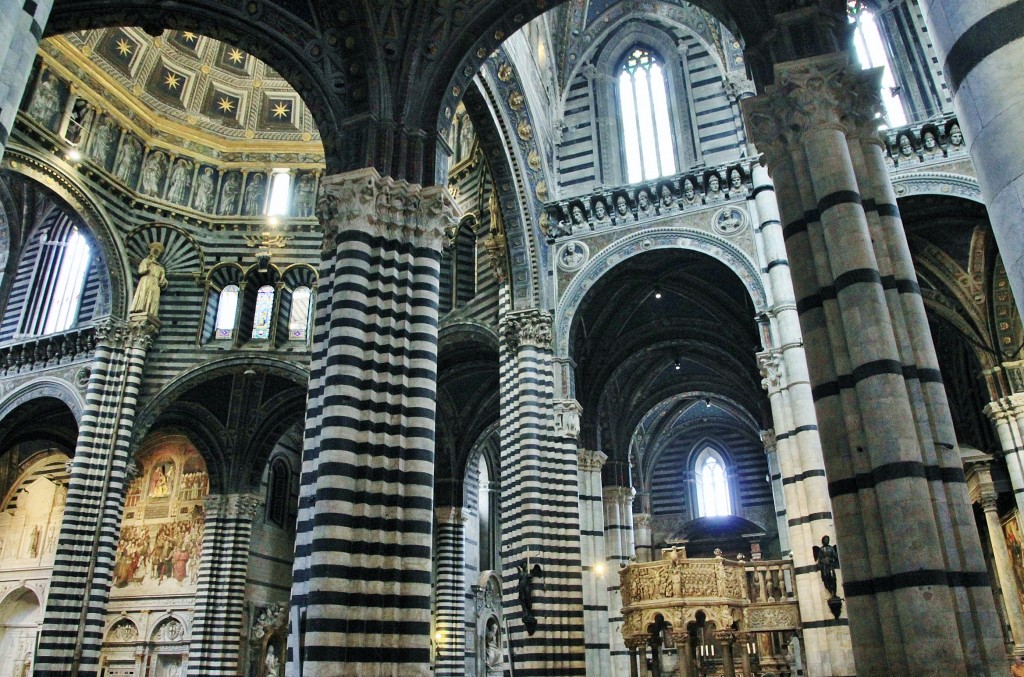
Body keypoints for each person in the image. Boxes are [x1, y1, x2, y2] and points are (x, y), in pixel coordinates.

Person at [130, 242, 168, 318]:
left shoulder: (160, 267)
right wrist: (148, 265)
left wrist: (163, 281)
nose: (156, 252)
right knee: (144, 294)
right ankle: (140, 310)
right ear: (151, 251)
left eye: (158, 251)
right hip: (146, 280)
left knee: (154, 299)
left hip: (155, 283)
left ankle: (151, 313)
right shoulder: (146, 261)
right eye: (155, 250)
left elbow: (163, 280)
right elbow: (141, 271)